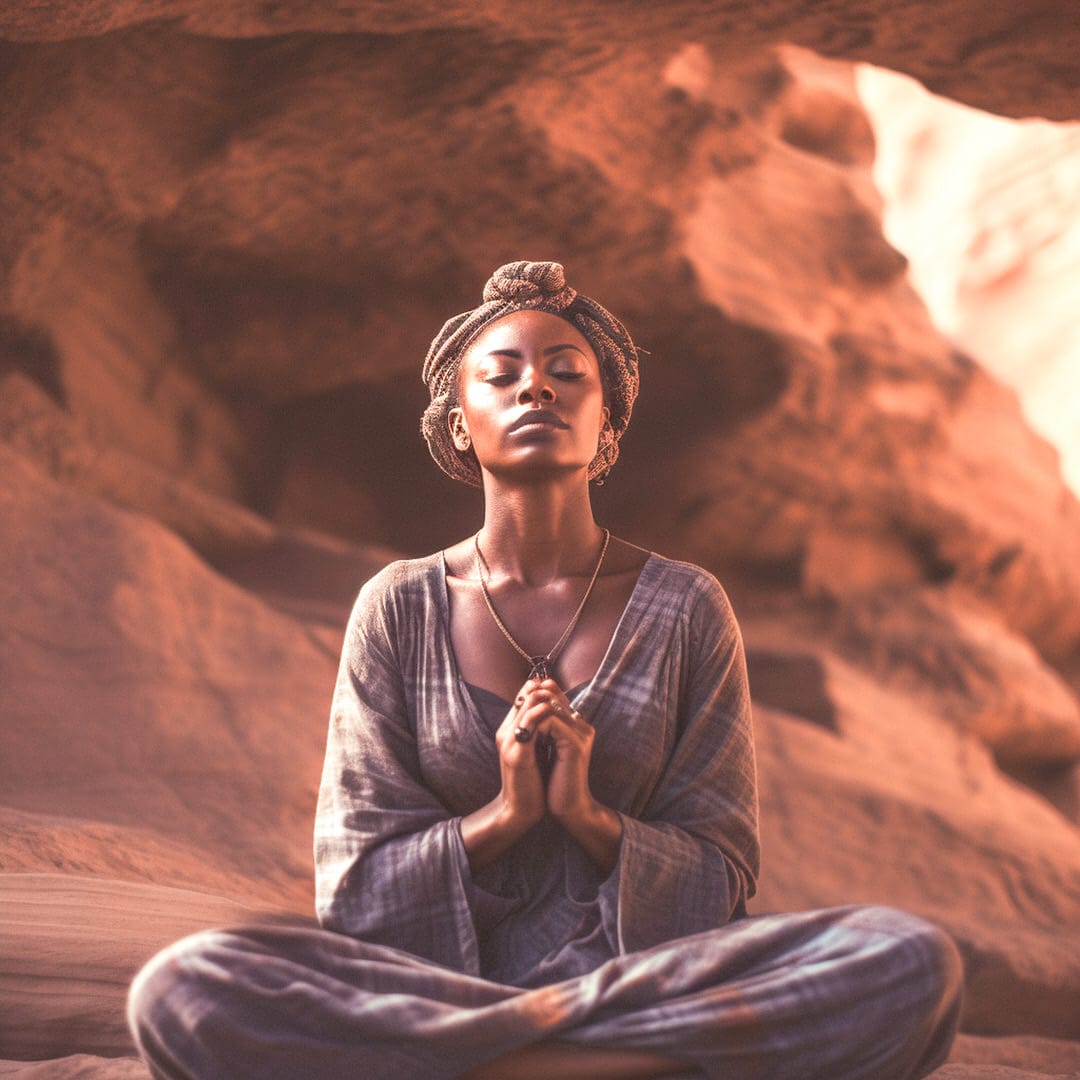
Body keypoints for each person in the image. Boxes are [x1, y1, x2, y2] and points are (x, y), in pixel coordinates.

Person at [128, 260, 962, 1079]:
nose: (537, 390)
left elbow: (721, 874)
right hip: (441, 989)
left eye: (568, 374)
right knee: (185, 986)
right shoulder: (397, 606)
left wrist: (587, 816)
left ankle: (500, 1067)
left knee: (907, 957)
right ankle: (596, 1066)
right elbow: (356, 890)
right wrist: (507, 815)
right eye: (502, 376)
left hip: (641, 982)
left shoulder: (684, 606)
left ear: (608, 424)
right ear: (459, 423)